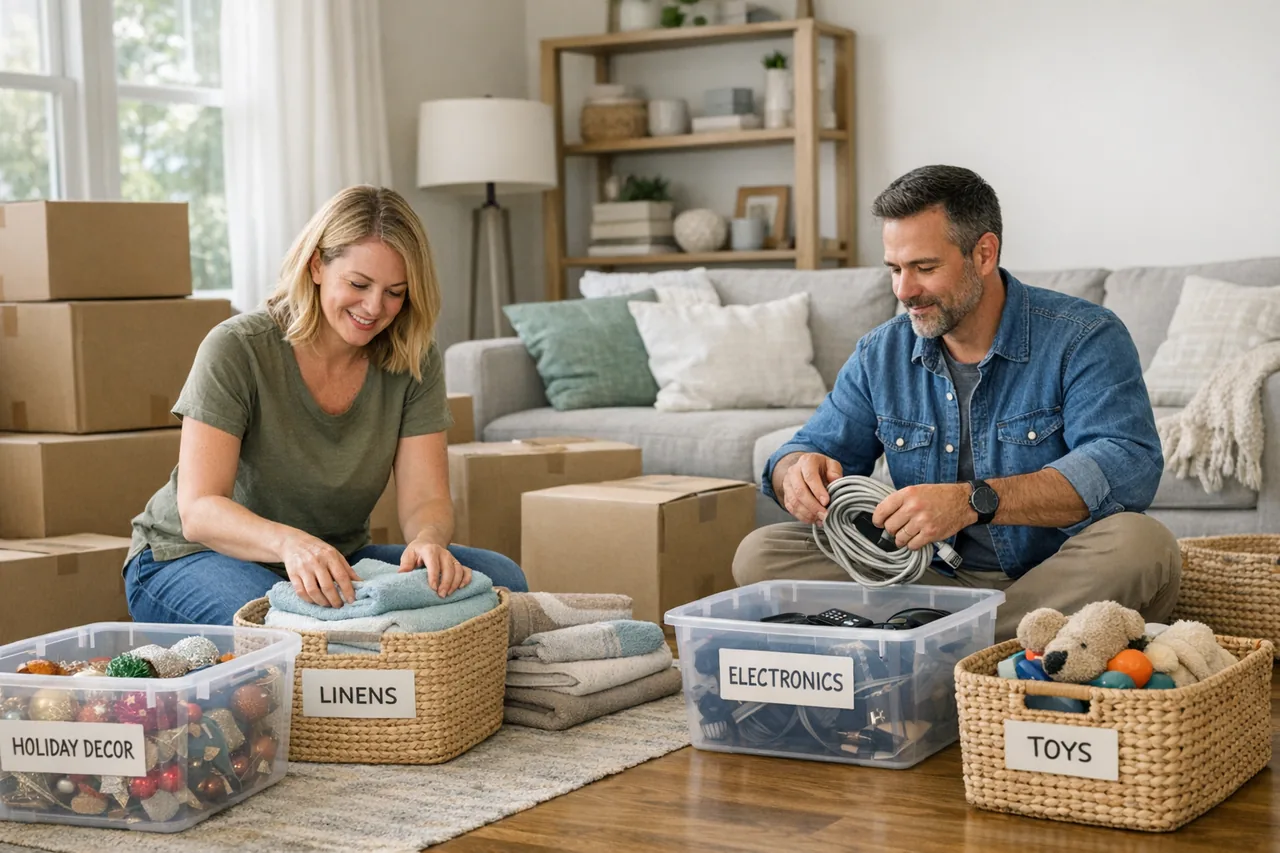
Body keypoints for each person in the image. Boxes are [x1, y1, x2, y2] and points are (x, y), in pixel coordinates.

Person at [732, 165, 1180, 641]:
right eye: (895, 269)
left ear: (983, 253)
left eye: (925, 268)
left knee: (1141, 545)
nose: (904, 291)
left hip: (1050, 580)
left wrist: (972, 503)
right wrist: (796, 472)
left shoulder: (1085, 337)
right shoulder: (880, 354)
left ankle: (927, 644)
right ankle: (991, 644)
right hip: (924, 583)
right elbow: (808, 448)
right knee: (761, 554)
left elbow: (1127, 465)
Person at [125, 185, 528, 626]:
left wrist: (429, 541)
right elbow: (200, 510)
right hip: (190, 556)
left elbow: (426, 498)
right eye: (358, 284)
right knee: (285, 627)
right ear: (317, 265)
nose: (375, 308)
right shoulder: (237, 347)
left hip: (334, 558)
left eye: (395, 292)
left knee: (502, 578)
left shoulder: (412, 357)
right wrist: (291, 545)